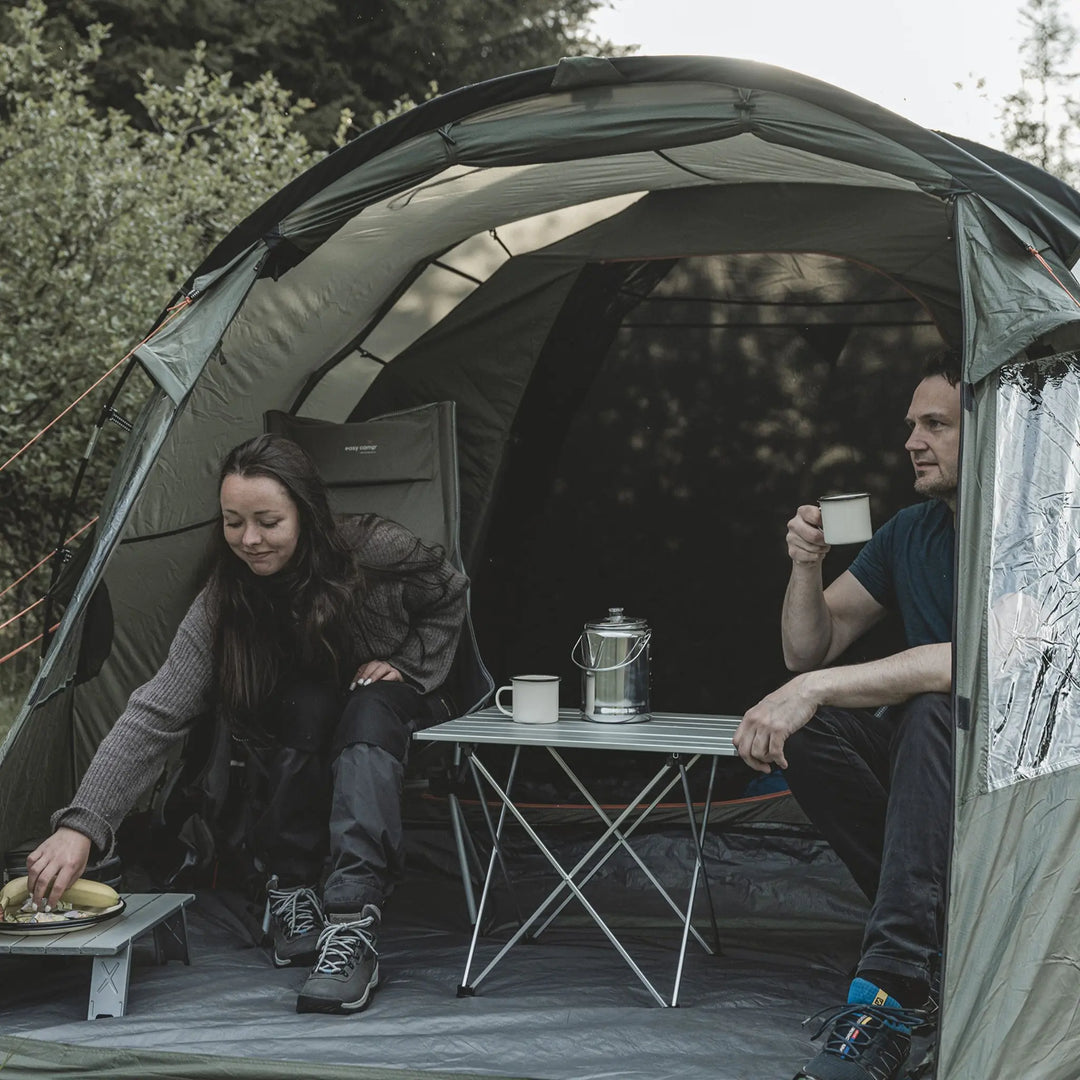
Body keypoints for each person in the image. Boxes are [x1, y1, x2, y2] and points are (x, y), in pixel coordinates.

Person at [25, 433, 468, 1015]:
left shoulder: (377, 551)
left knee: (367, 708)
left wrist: (410, 664)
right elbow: (157, 710)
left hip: (383, 705)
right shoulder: (226, 599)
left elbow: (451, 593)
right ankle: (291, 886)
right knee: (306, 703)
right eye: (234, 522)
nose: (250, 540)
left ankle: (353, 924)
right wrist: (82, 825)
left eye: (267, 521)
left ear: (306, 515)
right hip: (302, 722)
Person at [733, 352, 960, 1080]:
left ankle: (892, 992)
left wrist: (819, 688)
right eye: (910, 426)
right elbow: (811, 648)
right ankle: (932, 946)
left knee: (929, 704)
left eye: (935, 425)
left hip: (1015, 781)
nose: (912, 443)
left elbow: (977, 660)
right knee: (809, 726)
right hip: (927, 780)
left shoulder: (1032, 525)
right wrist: (806, 565)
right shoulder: (910, 531)